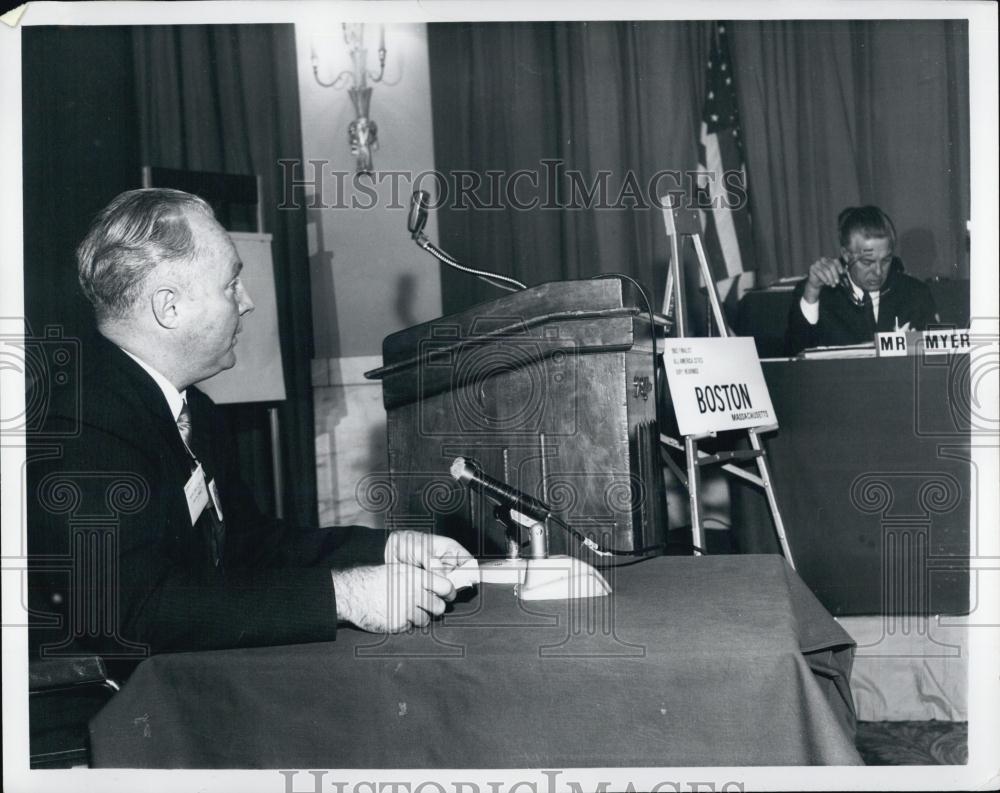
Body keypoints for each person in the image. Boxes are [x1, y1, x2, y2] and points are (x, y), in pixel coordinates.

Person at [27, 188, 472, 660]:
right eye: (230, 284)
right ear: (168, 308)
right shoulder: (81, 421)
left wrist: (386, 549)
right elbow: (132, 614)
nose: (248, 302)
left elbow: (252, 547)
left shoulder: (196, 411)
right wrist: (346, 597)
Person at [785, 205, 938, 355]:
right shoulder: (820, 293)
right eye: (867, 262)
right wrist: (812, 293)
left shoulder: (916, 293)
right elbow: (794, 355)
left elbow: (936, 355)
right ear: (846, 255)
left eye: (885, 261)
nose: (878, 272)